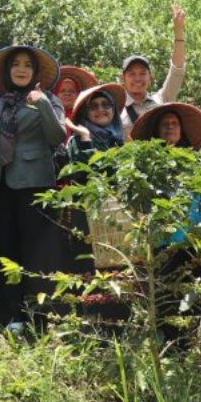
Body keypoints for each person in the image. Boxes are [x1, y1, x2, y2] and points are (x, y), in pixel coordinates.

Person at [0, 46, 66, 332]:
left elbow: (57, 136)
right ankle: (9, 315)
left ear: (34, 72)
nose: (21, 69)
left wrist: (42, 103)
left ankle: (40, 315)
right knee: (3, 248)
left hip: (35, 181)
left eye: (27, 65)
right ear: (7, 71)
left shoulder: (48, 99)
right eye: (15, 65)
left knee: (36, 250)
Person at [128, 102, 201, 348]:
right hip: (161, 243)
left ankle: (186, 347)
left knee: (191, 300)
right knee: (164, 300)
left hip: (193, 242)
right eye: (165, 125)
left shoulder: (197, 162)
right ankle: (165, 351)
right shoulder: (145, 165)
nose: (170, 128)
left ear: (181, 130)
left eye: (174, 124)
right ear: (156, 131)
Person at [59, 83, 129, 321]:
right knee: (90, 272)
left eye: (105, 105)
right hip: (87, 219)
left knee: (119, 271)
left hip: (116, 221)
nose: (101, 110)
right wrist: (87, 139)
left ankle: (119, 321)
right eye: (94, 107)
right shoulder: (77, 141)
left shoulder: (119, 141)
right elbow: (88, 172)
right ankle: (93, 322)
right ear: (84, 114)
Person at [120, 5, 187, 127]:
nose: (138, 79)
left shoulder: (161, 100)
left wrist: (179, 32)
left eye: (142, 73)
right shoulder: (115, 108)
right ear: (122, 78)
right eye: (132, 74)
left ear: (150, 77)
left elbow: (177, 71)